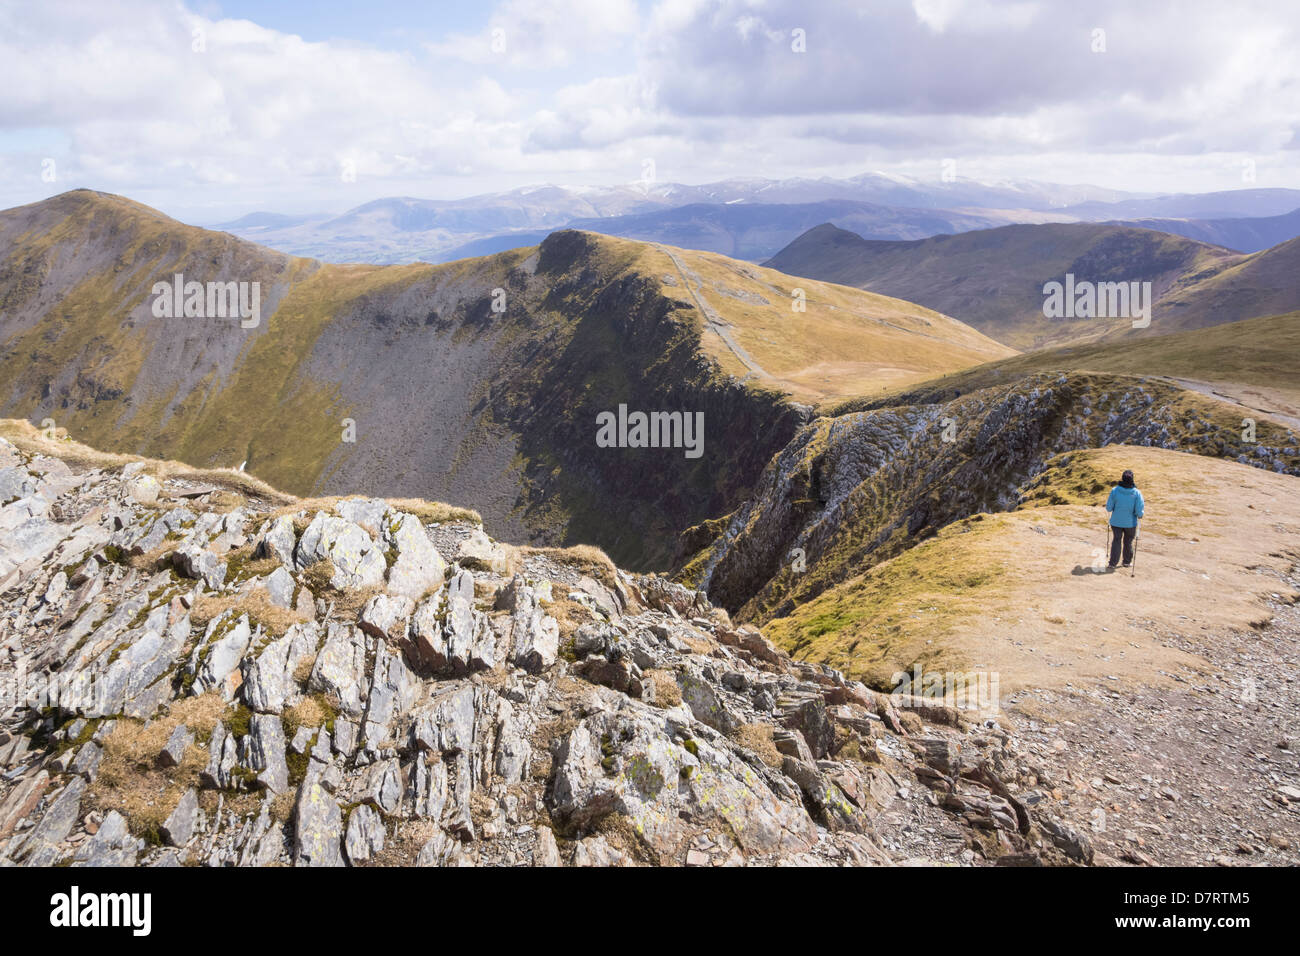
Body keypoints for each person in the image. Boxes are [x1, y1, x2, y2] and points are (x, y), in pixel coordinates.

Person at [1105, 469, 1144, 569]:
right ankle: (1126, 562)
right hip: (1130, 523)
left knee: (1116, 540)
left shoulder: (1114, 491)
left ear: (1122, 478)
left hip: (1116, 522)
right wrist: (1140, 514)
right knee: (1128, 541)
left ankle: (1112, 563)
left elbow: (1109, 507)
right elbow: (1139, 512)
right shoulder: (1137, 493)